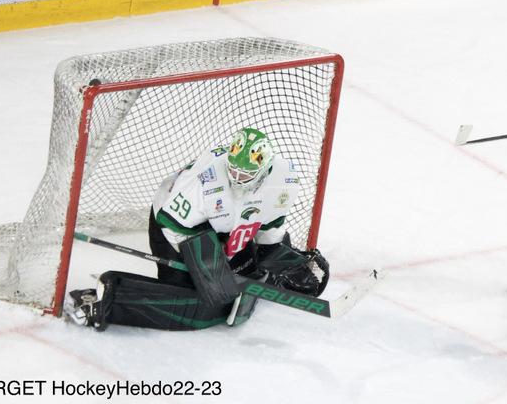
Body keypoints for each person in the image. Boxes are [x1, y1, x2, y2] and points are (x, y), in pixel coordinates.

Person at [66, 127, 329, 331]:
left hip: (225, 224)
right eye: (233, 171)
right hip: (176, 228)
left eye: (245, 174)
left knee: (246, 276)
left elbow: (271, 221)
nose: (237, 178)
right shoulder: (204, 182)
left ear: (263, 169)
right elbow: (173, 224)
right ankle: (105, 300)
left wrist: (274, 255)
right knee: (205, 300)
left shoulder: (284, 178)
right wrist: (202, 264)